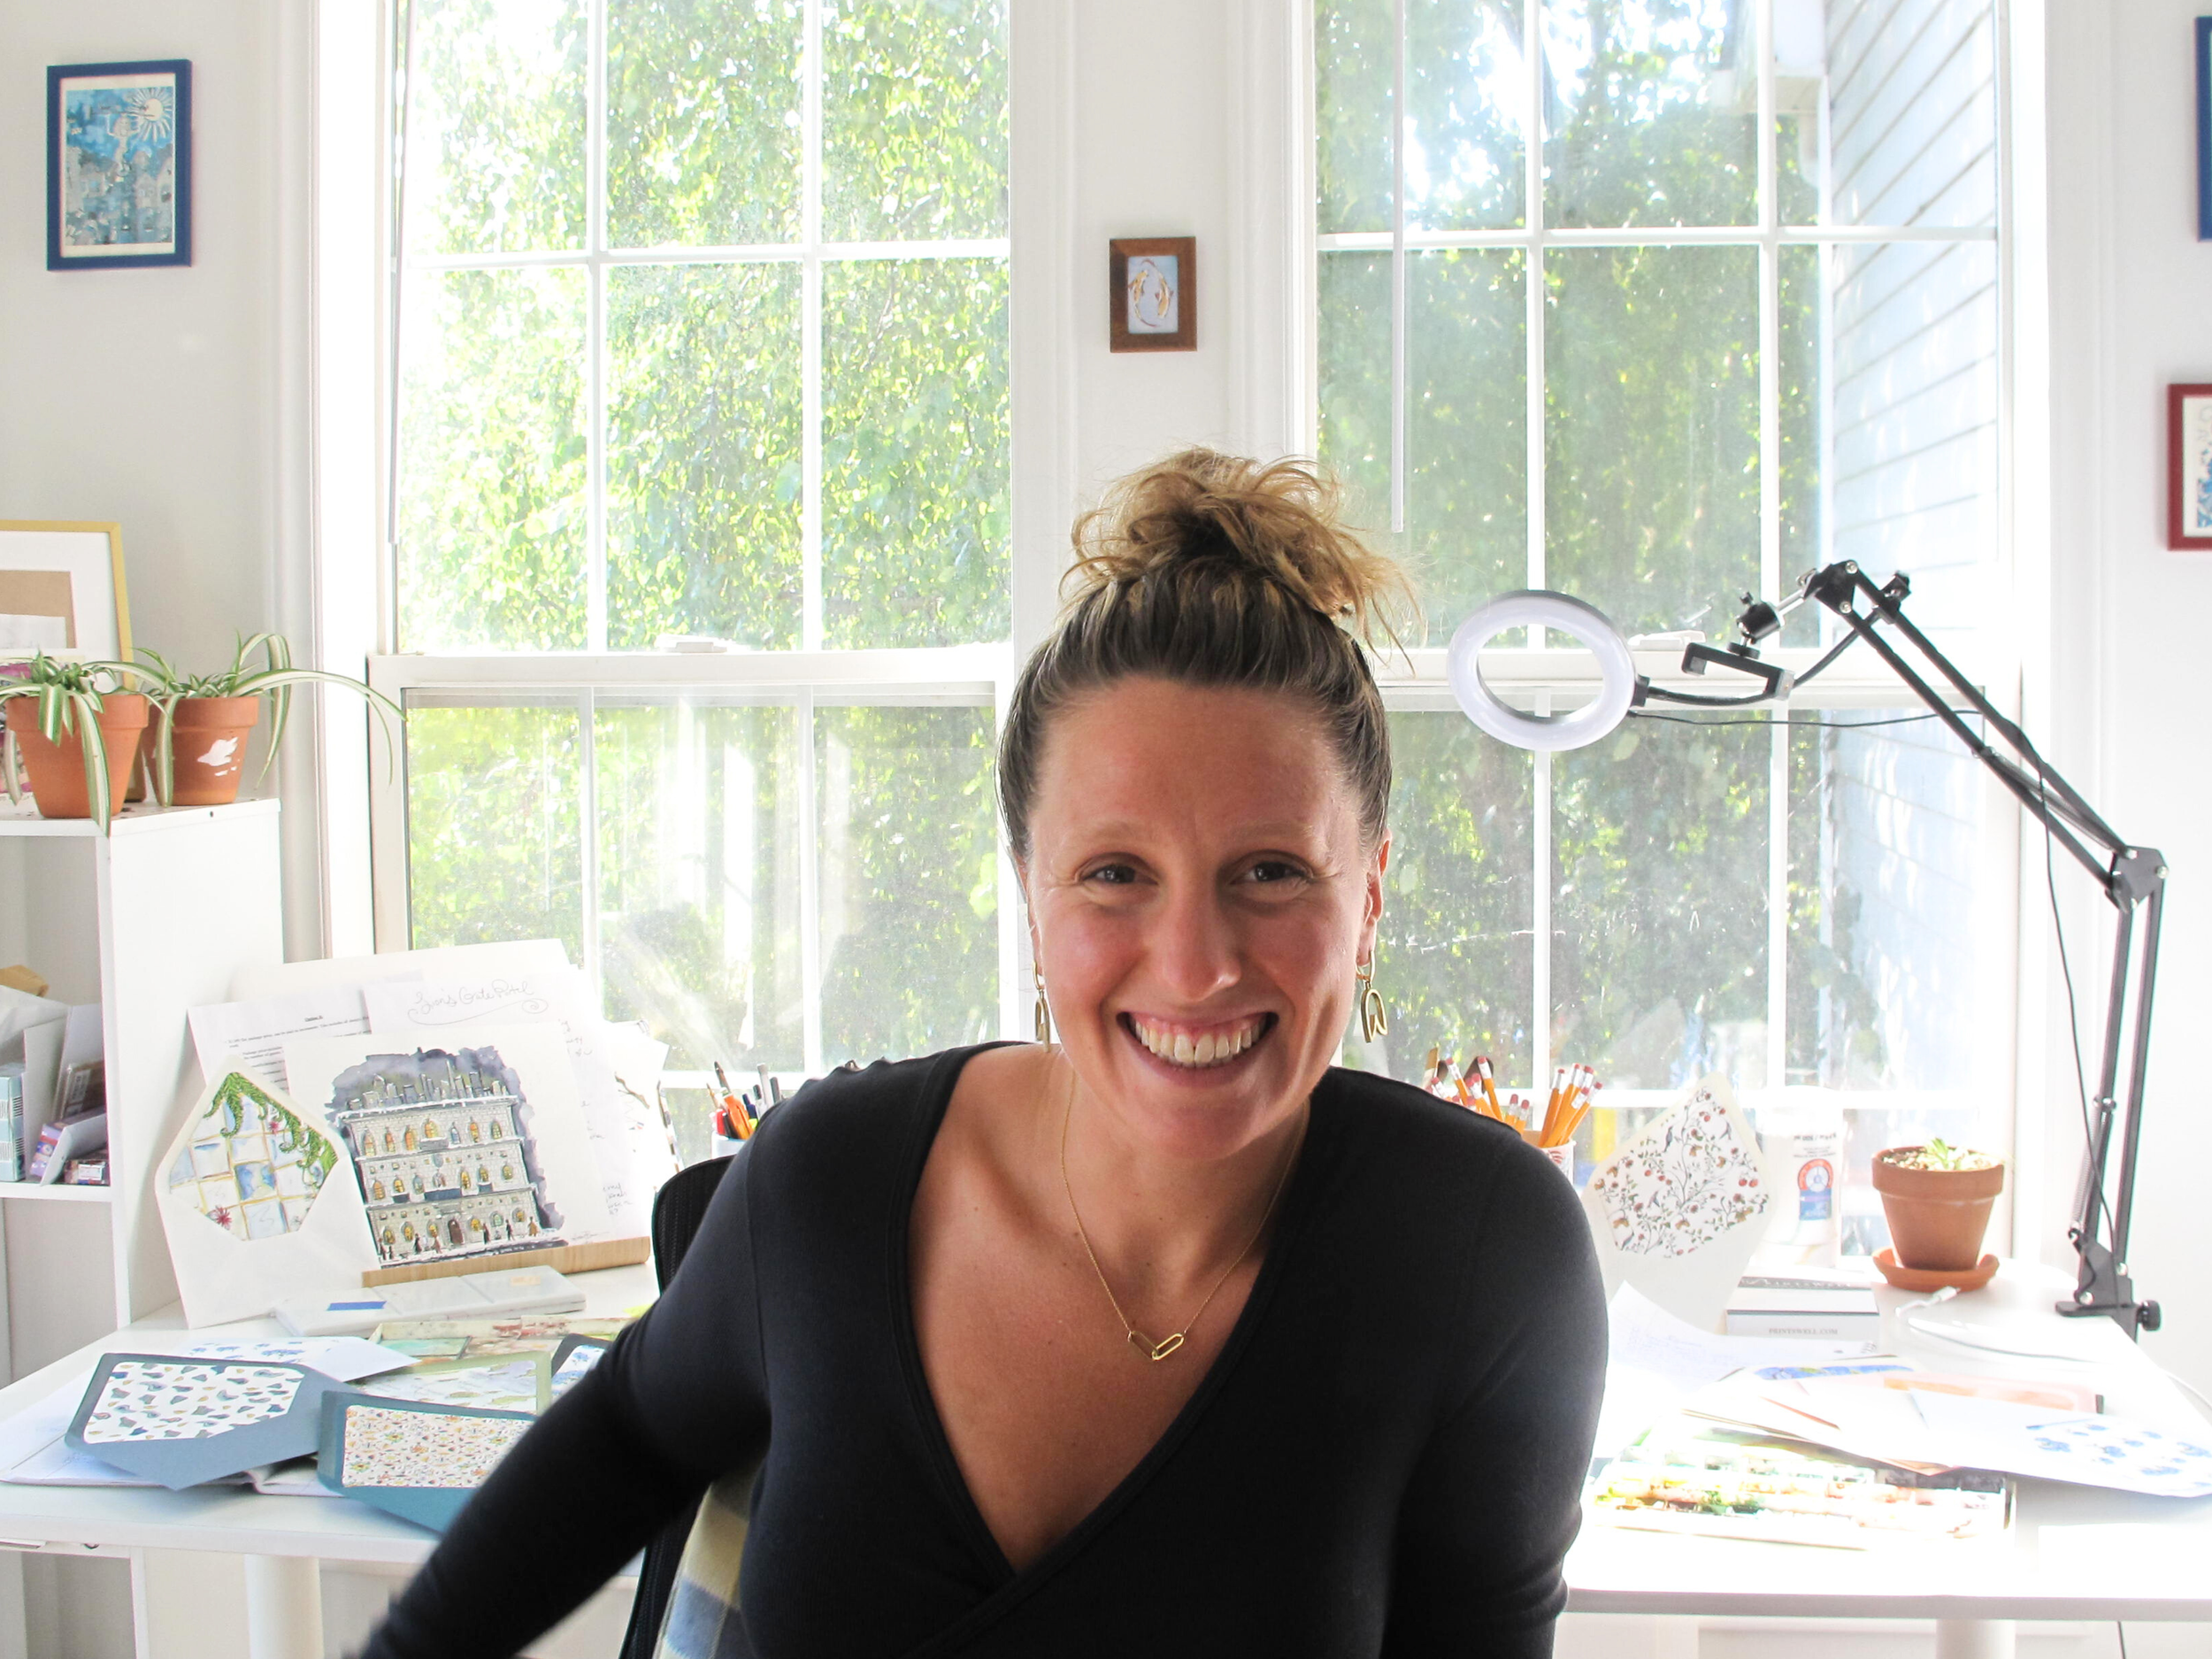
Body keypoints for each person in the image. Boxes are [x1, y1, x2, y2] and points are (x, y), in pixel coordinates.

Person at [359, 450, 1606, 1659]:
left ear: (1371, 892)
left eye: (1271, 873)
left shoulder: (1485, 1261)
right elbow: (633, 1427)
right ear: (1028, 890)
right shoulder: (829, 1182)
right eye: (1115, 874)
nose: (1194, 964)